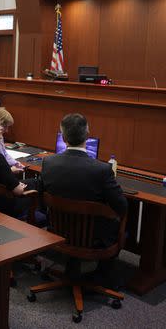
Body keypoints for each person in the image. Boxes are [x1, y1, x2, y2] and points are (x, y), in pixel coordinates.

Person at [39, 113, 127, 288]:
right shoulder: (102, 170)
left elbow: (43, 197)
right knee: (121, 222)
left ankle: (74, 265)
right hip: (91, 237)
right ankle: (102, 275)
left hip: (57, 229)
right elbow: (122, 206)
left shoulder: (48, 162)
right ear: (88, 135)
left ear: (63, 138)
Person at [0, 107, 25, 174]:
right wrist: (10, 170)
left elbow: (4, 154)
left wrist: (16, 163)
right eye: (5, 126)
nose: (7, 130)